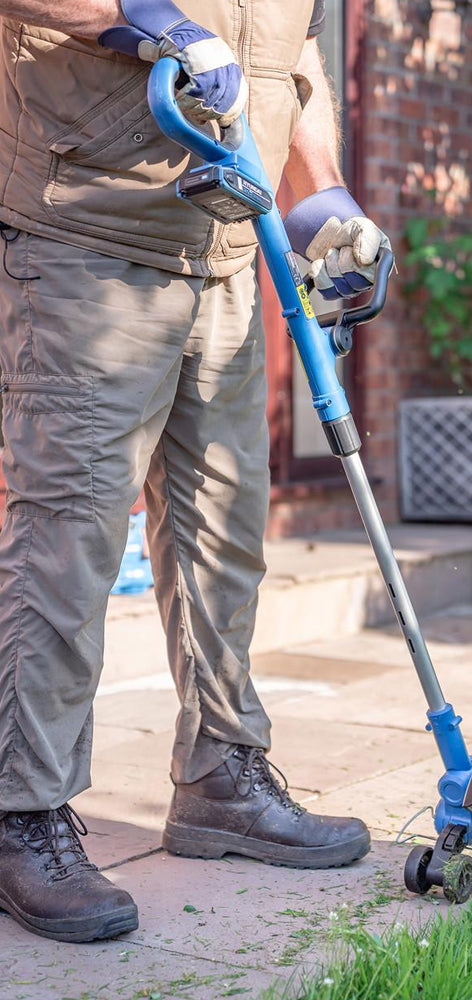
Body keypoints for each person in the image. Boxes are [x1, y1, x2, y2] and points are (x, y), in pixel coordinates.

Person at [0, 0, 389, 943]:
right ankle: (20, 814)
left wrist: (324, 197)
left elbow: (294, 63)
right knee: (73, 533)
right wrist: (137, 15)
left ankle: (222, 774)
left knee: (226, 528)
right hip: (89, 229)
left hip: (224, 246)